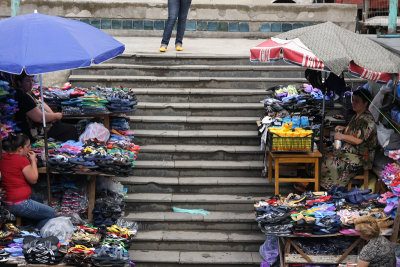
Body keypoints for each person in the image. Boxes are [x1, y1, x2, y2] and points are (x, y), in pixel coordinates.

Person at [321, 88, 377, 190]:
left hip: (360, 157)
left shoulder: (367, 120)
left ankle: (330, 189)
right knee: (323, 153)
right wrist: (343, 129)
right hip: (349, 151)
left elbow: (358, 140)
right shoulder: (357, 116)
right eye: (353, 100)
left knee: (330, 162)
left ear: (365, 103)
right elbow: (354, 132)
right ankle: (318, 184)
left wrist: (342, 136)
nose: (353, 103)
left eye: (357, 101)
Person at [0, 133, 56, 229]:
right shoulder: (21, 160)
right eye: (28, 146)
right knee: (51, 213)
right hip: (19, 203)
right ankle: (34, 231)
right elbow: (33, 179)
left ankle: (28, 225)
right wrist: (33, 161)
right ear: (20, 148)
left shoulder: (5, 157)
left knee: (38, 199)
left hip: (8, 200)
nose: (30, 148)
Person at [13, 71, 78, 142]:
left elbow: (41, 103)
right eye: (27, 81)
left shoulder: (29, 93)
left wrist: (53, 115)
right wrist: (55, 116)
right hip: (36, 131)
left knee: (61, 124)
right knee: (70, 129)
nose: (31, 83)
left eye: (32, 80)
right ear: (19, 82)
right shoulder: (22, 96)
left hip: (45, 124)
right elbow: (39, 118)